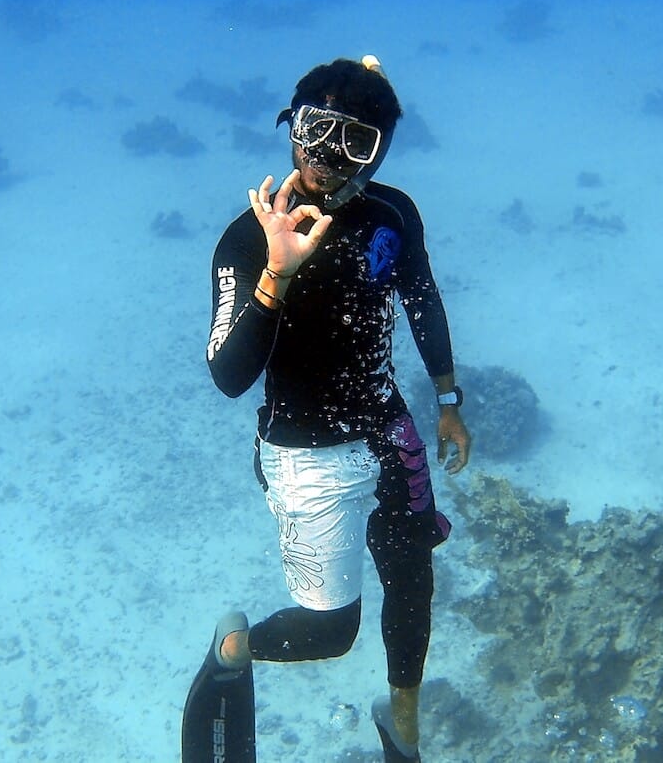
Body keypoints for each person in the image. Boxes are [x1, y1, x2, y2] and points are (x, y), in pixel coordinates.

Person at [190, 56, 471, 763]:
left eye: (356, 140)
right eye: (315, 128)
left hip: (388, 426)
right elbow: (229, 376)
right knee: (332, 632)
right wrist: (276, 274)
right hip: (305, 456)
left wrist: (447, 400)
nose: (326, 154)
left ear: (380, 152)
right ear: (291, 125)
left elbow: (422, 299)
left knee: (412, 575)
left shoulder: (392, 214)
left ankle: (403, 722)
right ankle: (233, 649)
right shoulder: (247, 240)